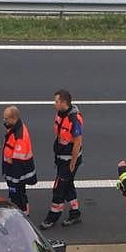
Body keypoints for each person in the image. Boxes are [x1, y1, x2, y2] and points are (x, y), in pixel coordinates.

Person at [39, 89, 84, 230]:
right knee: (68, 184)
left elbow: (77, 142)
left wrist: (73, 162)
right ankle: (75, 212)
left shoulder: (74, 119)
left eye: (57, 101)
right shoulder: (61, 114)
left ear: (64, 102)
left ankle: (52, 216)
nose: (54, 104)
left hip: (69, 160)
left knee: (59, 188)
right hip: (61, 157)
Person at [2, 105, 37, 214]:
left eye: (6, 118)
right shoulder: (14, 129)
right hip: (13, 171)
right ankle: (22, 209)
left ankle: (22, 213)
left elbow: (17, 160)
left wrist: (12, 178)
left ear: (13, 118)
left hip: (16, 173)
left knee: (17, 194)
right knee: (17, 193)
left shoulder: (19, 136)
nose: (4, 120)